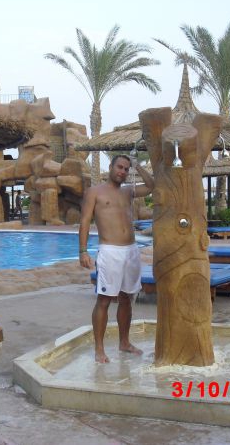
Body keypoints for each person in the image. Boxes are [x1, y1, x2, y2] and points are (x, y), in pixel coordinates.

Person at [79, 155, 154, 363]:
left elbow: (151, 186)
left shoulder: (128, 191)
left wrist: (138, 165)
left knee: (127, 298)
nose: (122, 171)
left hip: (131, 250)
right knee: (104, 300)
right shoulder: (95, 192)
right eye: (119, 167)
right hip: (110, 250)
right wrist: (82, 251)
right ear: (111, 167)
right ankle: (99, 349)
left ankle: (124, 342)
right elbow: (84, 221)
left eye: (126, 169)